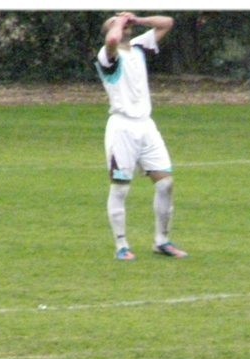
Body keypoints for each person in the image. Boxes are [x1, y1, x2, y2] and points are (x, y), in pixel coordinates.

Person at [95, 12, 187, 260]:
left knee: (166, 183)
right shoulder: (107, 55)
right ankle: (121, 245)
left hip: (146, 125)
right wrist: (118, 22)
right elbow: (112, 40)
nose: (124, 26)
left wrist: (137, 20)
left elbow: (167, 23)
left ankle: (162, 241)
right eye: (118, 24)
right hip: (122, 128)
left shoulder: (138, 47)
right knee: (120, 188)